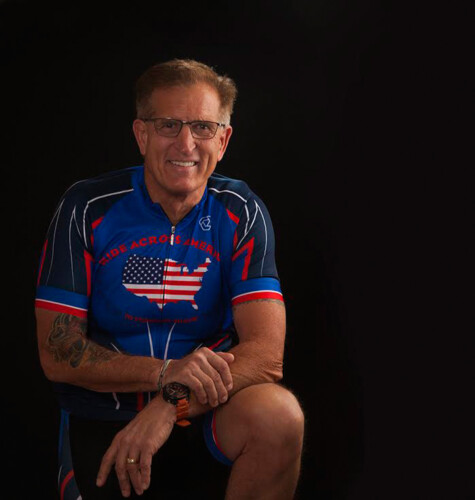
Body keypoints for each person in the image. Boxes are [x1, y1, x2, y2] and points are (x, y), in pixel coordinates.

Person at [35, 59, 304, 499]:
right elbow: (57, 351)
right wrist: (164, 372)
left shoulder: (241, 210)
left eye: (202, 127)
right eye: (168, 125)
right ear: (141, 134)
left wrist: (170, 401)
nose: (186, 143)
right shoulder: (87, 207)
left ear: (223, 139)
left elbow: (266, 355)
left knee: (280, 416)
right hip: (104, 416)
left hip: (203, 412)